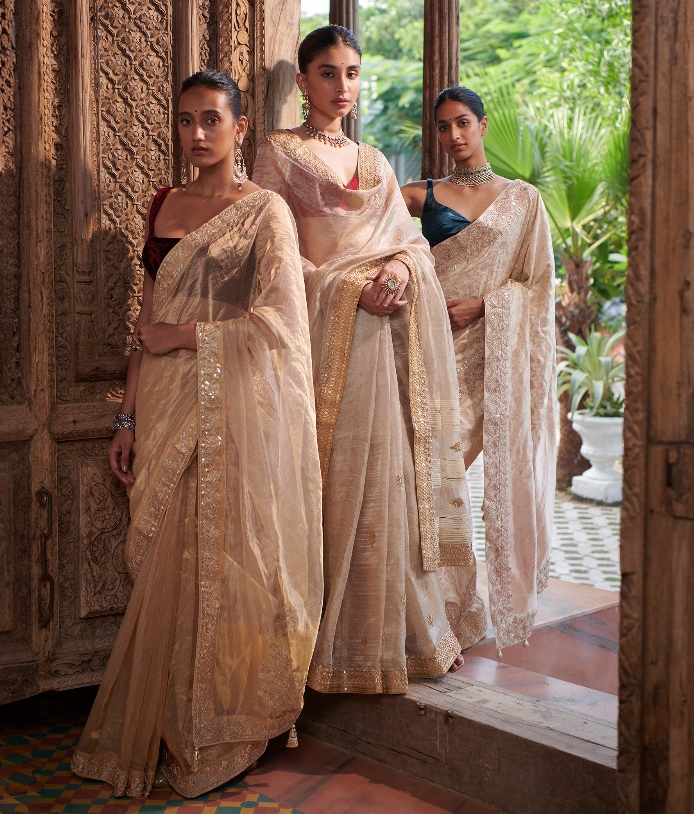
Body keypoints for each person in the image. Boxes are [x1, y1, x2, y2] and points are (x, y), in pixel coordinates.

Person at [71, 70, 322, 798]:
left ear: (240, 128)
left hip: (230, 406)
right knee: (167, 556)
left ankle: (221, 725)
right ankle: (170, 722)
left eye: (211, 119)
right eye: (185, 120)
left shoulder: (265, 211)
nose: (197, 134)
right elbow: (144, 324)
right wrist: (127, 415)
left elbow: (279, 322)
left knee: (226, 554)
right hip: (164, 401)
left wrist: (186, 336)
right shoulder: (164, 204)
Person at [252, 25, 478, 694]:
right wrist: (350, 288)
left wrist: (402, 273)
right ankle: (324, 643)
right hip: (326, 339)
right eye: (328, 73)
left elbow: (409, 244)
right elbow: (272, 257)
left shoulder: (375, 161)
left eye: (351, 73)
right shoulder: (278, 153)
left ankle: (404, 632)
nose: (342, 86)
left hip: (385, 339)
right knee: (333, 479)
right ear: (303, 81)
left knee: (390, 479)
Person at [401, 86, 557, 650]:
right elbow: (363, 230)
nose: (454, 136)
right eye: (443, 127)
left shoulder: (522, 201)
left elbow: (538, 286)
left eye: (463, 123)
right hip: (426, 350)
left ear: (483, 125)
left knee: (446, 481)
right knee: (423, 481)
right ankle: (428, 614)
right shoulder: (420, 194)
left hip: (488, 361)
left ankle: (449, 613)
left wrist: (488, 305)